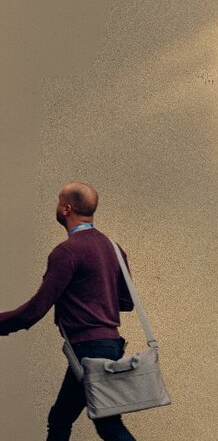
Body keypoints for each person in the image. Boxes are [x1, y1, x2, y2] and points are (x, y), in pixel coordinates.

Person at [0, 182, 136, 441]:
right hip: (110, 344)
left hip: (87, 350)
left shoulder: (67, 251)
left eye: (57, 201)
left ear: (67, 208)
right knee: (84, 420)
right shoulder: (114, 248)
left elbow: (34, 310)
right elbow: (125, 302)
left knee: (86, 422)